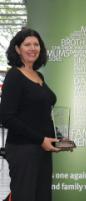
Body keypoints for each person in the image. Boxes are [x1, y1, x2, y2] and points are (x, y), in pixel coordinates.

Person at [0, 28, 60, 201]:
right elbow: (6, 117)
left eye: (36, 44)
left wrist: (55, 136)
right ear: (18, 49)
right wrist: (41, 139)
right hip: (23, 149)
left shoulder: (38, 75)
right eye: (27, 44)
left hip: (42, 149)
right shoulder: (14, 76)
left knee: (42, 196)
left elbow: (38, 112)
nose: (33, 48)